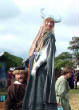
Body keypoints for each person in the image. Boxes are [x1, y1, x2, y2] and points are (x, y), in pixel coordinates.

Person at [22, 12, 61, 110]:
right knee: (34, 91)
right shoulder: (43, 36)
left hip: (41, 70)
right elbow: (33, 52)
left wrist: (35, 67)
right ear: (44, 23)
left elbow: (45, 55)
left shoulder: (50, 36)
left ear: (53, 25)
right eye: (47, 22)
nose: (49, 24)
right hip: (37, 70)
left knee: (40, 92)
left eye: (51, 22)